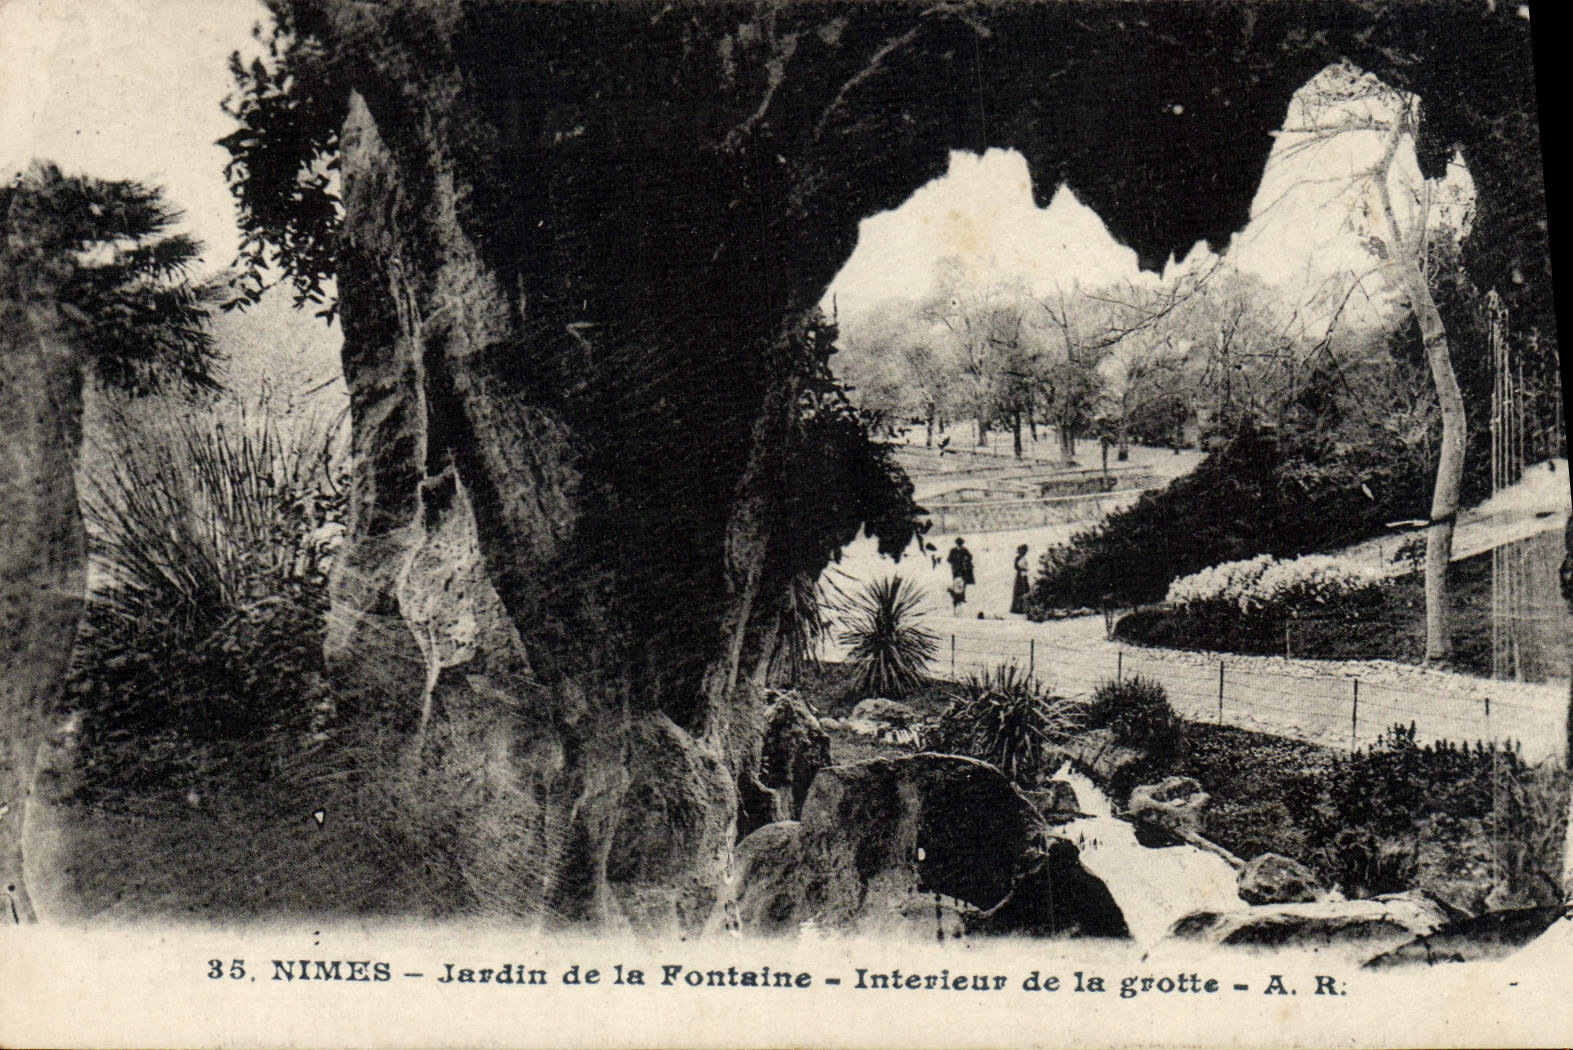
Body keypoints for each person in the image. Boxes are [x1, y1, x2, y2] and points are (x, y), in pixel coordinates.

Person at [946, 537, 975, 612]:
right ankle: (956, 596)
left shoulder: (964, 550)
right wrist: (954, 562)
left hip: (962, 570)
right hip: (956, 570)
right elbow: (949, 559)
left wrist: (966, 559)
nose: (960, 544)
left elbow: (970, 557)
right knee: (956, 582)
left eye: (961, 543)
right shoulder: (953, 550)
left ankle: (962, 596)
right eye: (959, 543)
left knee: (963, 583)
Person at [1011, 544, 1031, 614]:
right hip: (1020, 575)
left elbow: (1027, 567)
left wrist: (1025, 570)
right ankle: (1018, 608)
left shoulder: (1024, 558)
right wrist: (1021, 569)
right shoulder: (1017, 558)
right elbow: (1015, 566)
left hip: (1024, 575)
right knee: (1019, 590)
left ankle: (1024, 607)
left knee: (1025, 589)